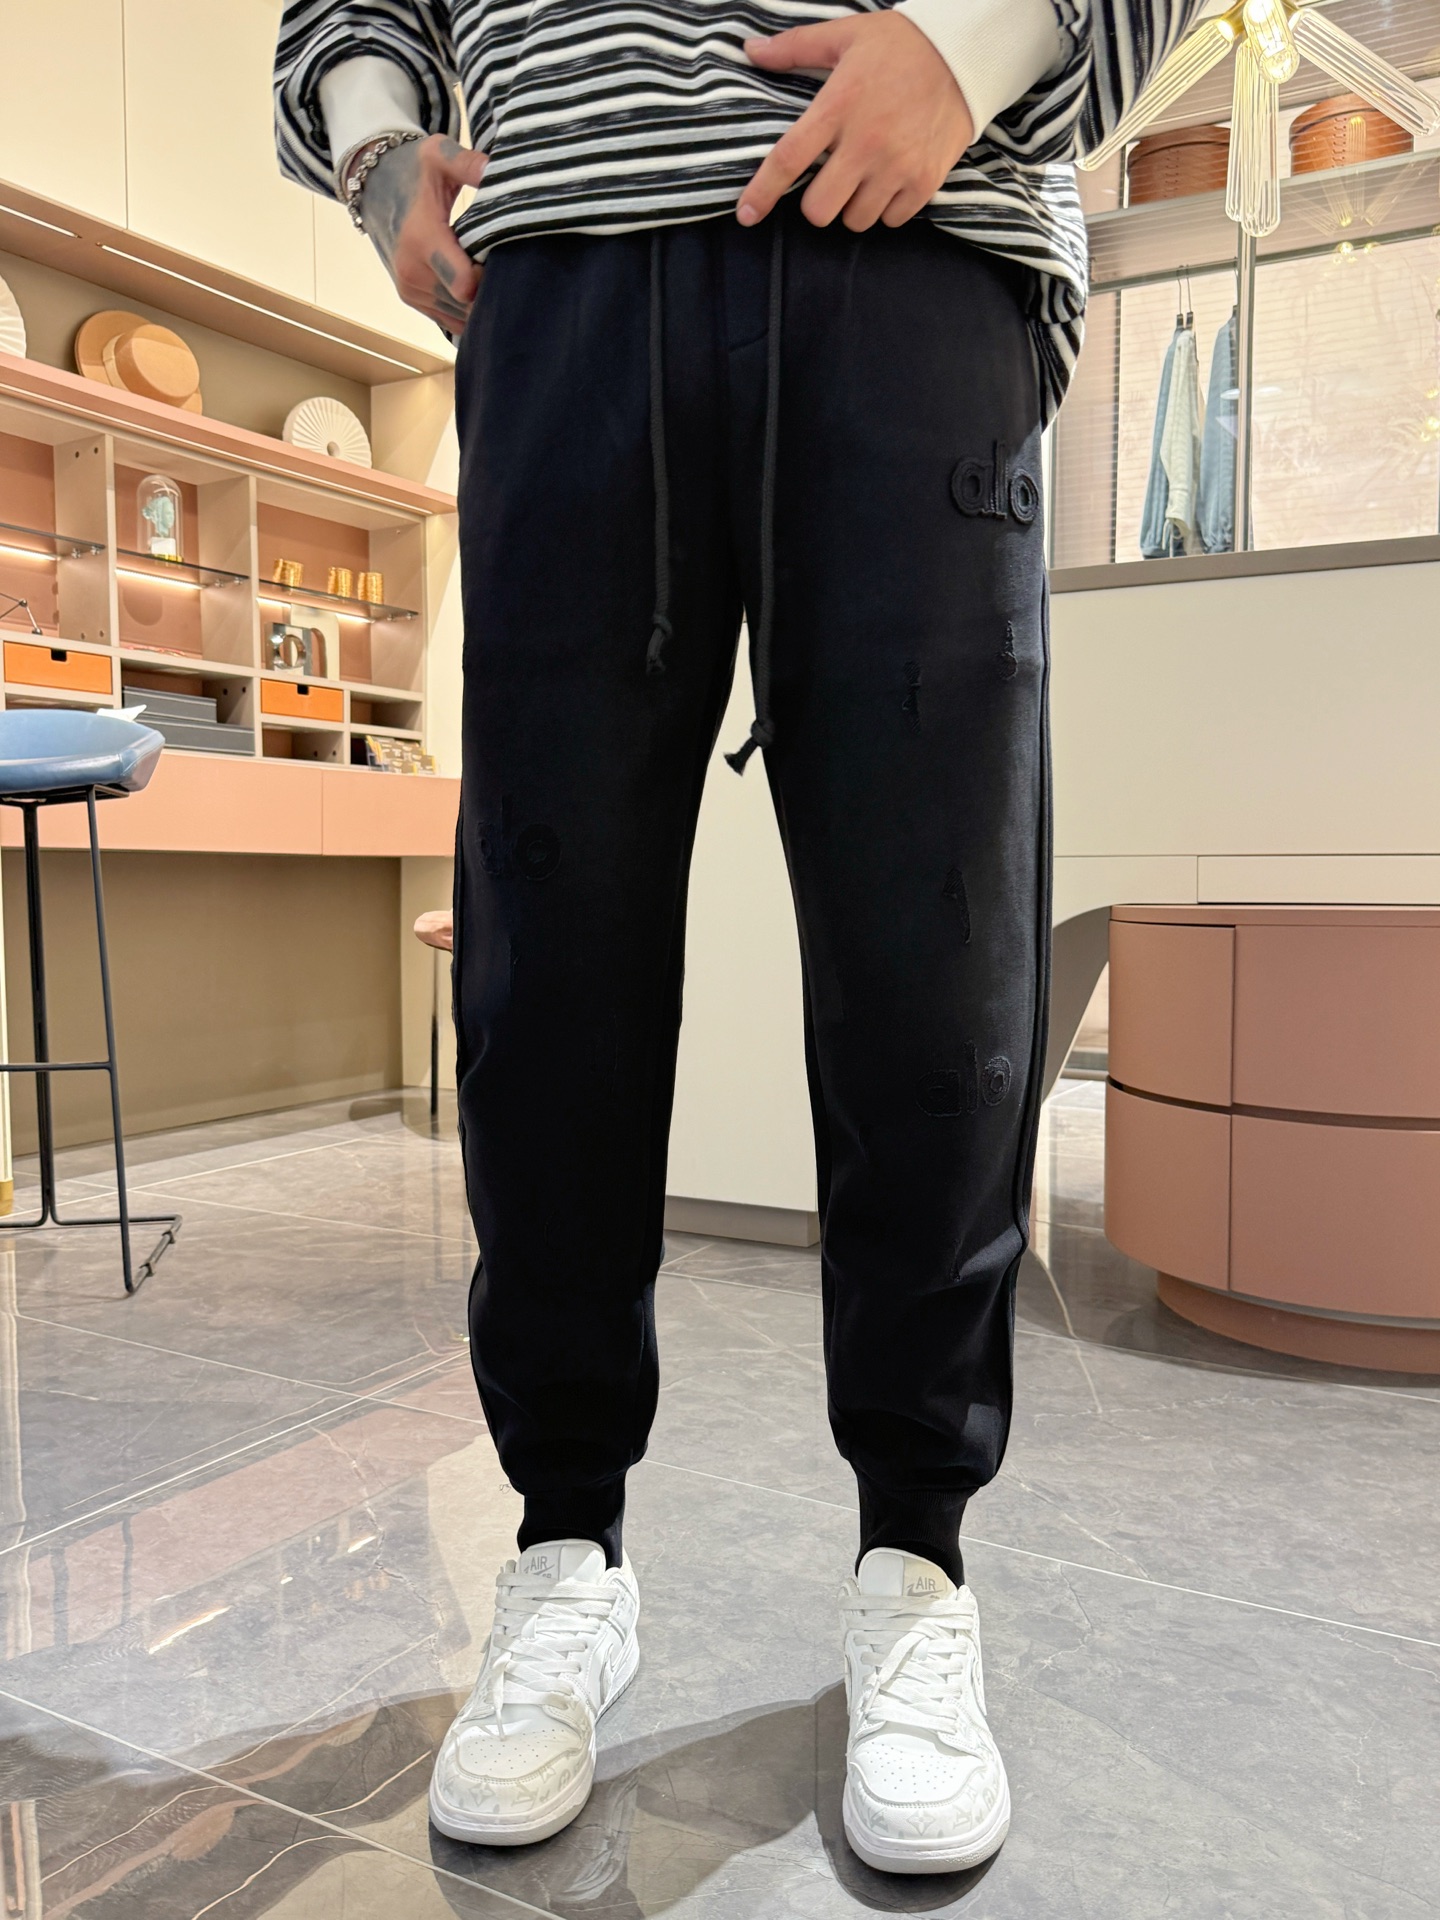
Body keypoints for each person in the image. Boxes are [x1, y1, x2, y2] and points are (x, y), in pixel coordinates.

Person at [276, 0, 1198, 1875]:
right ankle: (565, 1552)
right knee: (547, 974)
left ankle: (916, 1566)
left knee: (937, 970)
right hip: (559, 274)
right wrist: (375, 148)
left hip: (921, 238)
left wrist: (979, 46)